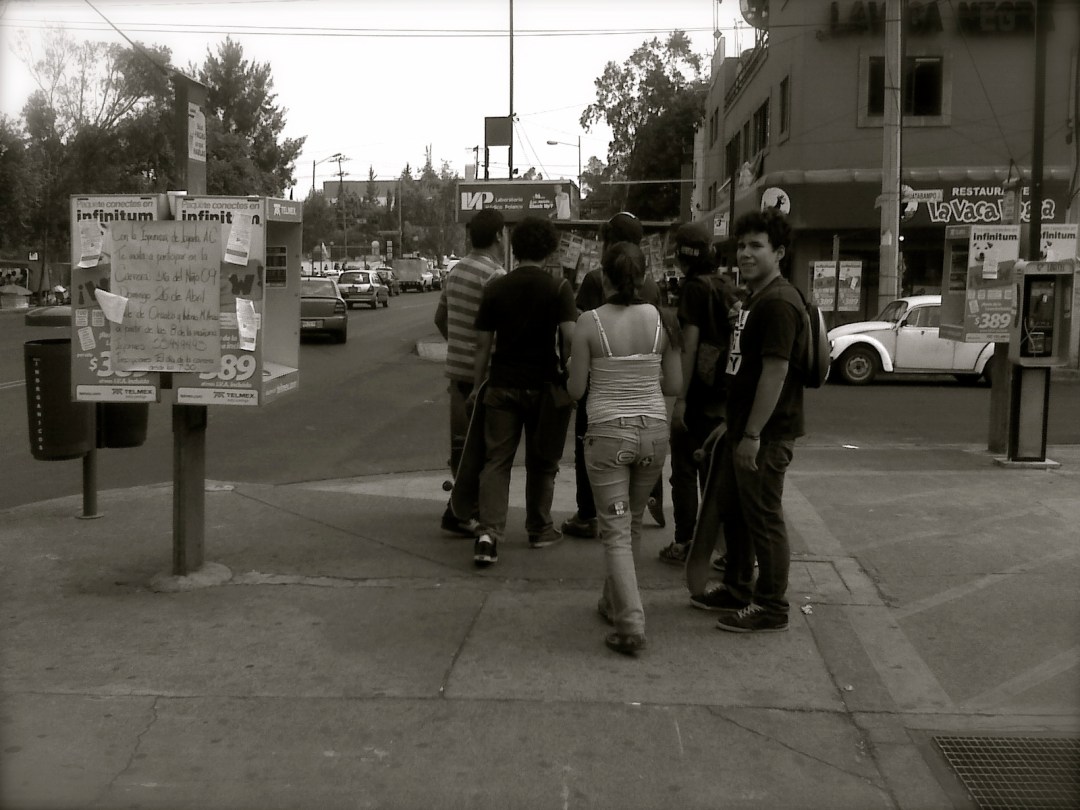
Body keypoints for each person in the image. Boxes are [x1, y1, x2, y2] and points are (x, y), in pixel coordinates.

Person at [694, 209, 806, 634]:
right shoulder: (757, 299)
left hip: (767, 434)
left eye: (756, 246)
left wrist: (754, 433)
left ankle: (771, 605)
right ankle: (738, 586)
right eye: (741, 245)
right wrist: (733, 425)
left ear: (778, 253)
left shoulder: (778, 303)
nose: (745, 253)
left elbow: (776, 372)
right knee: (734, 509)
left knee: (763, 516)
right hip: (742, 427)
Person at [568, 241, 681, 655]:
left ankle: (630, 623)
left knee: (614, 530)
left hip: (608, 437)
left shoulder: (588, 323)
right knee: (630, 522)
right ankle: (612, 600)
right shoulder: (661, 320)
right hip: (653, 432)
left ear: (605, 277)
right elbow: (674, 385)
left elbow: (577, 390)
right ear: (646, 274)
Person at [470, 216, 577, 568]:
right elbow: (570, 340)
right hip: (544, 387)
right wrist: (569, 374)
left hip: (501, 385)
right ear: (549, 250)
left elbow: (482, 347)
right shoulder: (558, 289)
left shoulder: (495, 288)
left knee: (496, 461)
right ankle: (539, 529)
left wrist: (475, 388)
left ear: (514, 247)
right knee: (542, 461)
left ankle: (488, 535)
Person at [561, 212, 667, 540]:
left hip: (605, 403)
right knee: (629, 520)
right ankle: (652, 496)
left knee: (616, 533)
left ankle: (588, 513)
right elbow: (670, 374)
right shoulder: (652, 288)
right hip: (649, 409)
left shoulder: (597, 280)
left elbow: (583, 332)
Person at [657, 221, 740, 566]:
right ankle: (723, 549)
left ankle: (687, 541)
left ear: (683, 256)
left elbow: (689, 348)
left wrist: (682, 400)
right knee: (715, 477)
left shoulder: (694, 289)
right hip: (726, 396)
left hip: (701, 399)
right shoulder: (727, 286)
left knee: (685, 473)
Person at [434, 208, 507, 535]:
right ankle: (468, 511)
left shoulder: (455, 273)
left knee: (460, 446)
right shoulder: (495, 277)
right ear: (498, 237)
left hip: (457, 374)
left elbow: (440, 318)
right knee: (486, 449)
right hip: (486, 375)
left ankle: (460, 507)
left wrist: (458, 343)